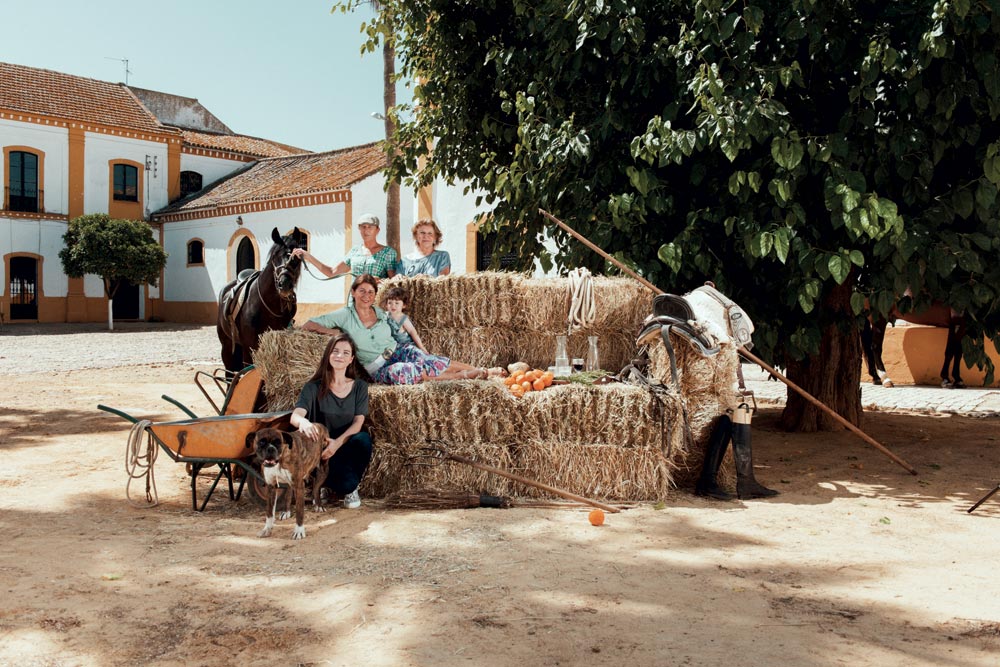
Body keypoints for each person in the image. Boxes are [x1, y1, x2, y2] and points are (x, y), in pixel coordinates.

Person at [302, 274, 489, 384]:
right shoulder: (344, 315)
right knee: (405, 370)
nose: (366, 296)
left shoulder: (382, 313)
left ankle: (480, 370)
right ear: (353, 292)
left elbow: (401, 321)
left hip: (397, 350)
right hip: (378, 366)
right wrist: (335, 333)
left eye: (371, 292)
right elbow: (308, 325)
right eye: (362, 291)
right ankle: (465, 376)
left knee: (424, 358)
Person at [290, 333, 373, 509]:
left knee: (363, 440)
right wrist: (304, 423)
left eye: (345, 353)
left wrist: (337, 444)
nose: (339, 356)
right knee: (338, 480)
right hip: (322, 449)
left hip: (345, 444)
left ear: (351, 359)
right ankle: (323, 485)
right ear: (328, 355)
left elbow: (358, 422)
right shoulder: (313, 387)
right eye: (335, 351)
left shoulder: (359, 387)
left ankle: (350, 489)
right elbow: (295, 416)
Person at [293, 213, 398, 282]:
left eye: (370, 227)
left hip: (376, 305)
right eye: (363, 227)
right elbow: (332, 272)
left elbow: (394, 281)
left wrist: (380, 280)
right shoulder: (354, 251)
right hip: (354, 303)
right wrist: (308, 256)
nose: (366, 231)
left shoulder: (388, 252)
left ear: (377, 230)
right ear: (359, 229)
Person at [383, 285, 428, 353]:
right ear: (386, 304)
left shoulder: (403, 319)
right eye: (390, 303)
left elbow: (413, 333)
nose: (393, 305)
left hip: (406, 347)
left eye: (397, 303)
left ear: (404, 305)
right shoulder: (385, 315)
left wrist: (421, 347)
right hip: (393, 348)